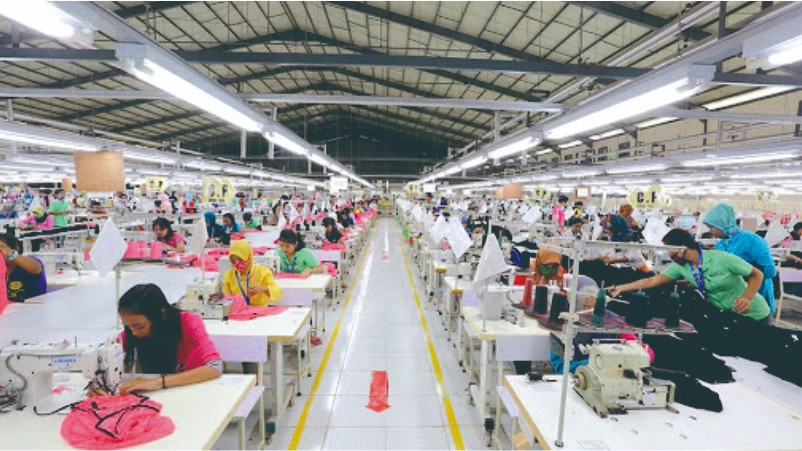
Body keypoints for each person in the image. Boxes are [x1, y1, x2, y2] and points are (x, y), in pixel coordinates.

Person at [608, 228, 771, 324]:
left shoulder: (721, 259)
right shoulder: (681, 267)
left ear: (684, 247)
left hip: (755, 313)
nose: (671, 257)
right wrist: (621, 288)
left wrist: (746, 298)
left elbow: (757, 274)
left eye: (673, 253)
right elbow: (652, 281)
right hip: (729, 315)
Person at [106, 284, 222, 396]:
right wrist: (99, 385)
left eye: (139, 326)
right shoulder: (131, 332)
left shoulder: (189, 322)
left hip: (195, 391)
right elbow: (106, 356)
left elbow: (214, 367)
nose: (134, 333)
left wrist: (157, 382)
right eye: (127, 327)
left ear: (161, 315)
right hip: (163, 394)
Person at [703, 203, 777, 313]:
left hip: (755, 292)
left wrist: (744, 271)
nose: (710, 231)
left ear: (722, 224)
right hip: (733, 296)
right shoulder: (721, 244)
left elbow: (770, 271)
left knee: (757, 319)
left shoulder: (752, 240)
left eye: (711, 227)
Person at [223, 240, 282, 307]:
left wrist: (264, 288)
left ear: (248, 257)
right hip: (239, 310)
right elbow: (228, 299)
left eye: (240, 259)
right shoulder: (229, 276)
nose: (236, 263)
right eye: (233, 260)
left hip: (259, 310)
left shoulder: (263, 272)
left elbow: (277, 292)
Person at [0, 234, 47, 302]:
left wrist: (11, 255)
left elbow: (36, 268)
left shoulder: (28, 262)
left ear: (15, 249)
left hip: (33, 306)